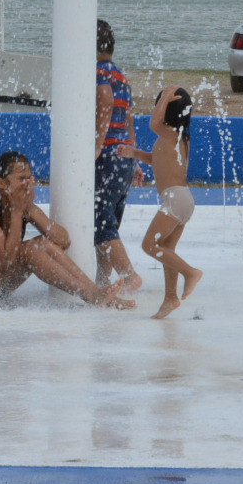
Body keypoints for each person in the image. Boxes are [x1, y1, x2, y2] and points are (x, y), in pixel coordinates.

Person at [0, 151, 134, 309]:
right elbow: (8, 258)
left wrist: (30, 210)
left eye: (29, 178)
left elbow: (63, 240)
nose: (29, 183)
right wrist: (17, 212)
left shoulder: (25, 206)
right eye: (21, 178)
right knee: (29, 250)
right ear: (1, 183)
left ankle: (95, 292)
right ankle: (91, 295)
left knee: (40, 243)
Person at [118, 86, 201, 319]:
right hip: (181, 200)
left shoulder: (171, 133)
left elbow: (154, 123)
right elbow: (157, 160)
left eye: (161, 105)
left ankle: (190, 273)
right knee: (166, 250)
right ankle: (171, 298)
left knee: (149, 246)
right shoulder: (175, 137)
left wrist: (164, 96)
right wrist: (134, 153)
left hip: (176, 199)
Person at [94, 20, 142, 295]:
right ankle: (103, 280)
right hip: (124, 157)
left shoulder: (99, 71)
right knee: (107, 224)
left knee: (100, 220)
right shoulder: (122, 76)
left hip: (109, 155)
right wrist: (134, 158)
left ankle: (129, 276)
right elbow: (129, 120)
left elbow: (105, 100)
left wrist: (98, 143)